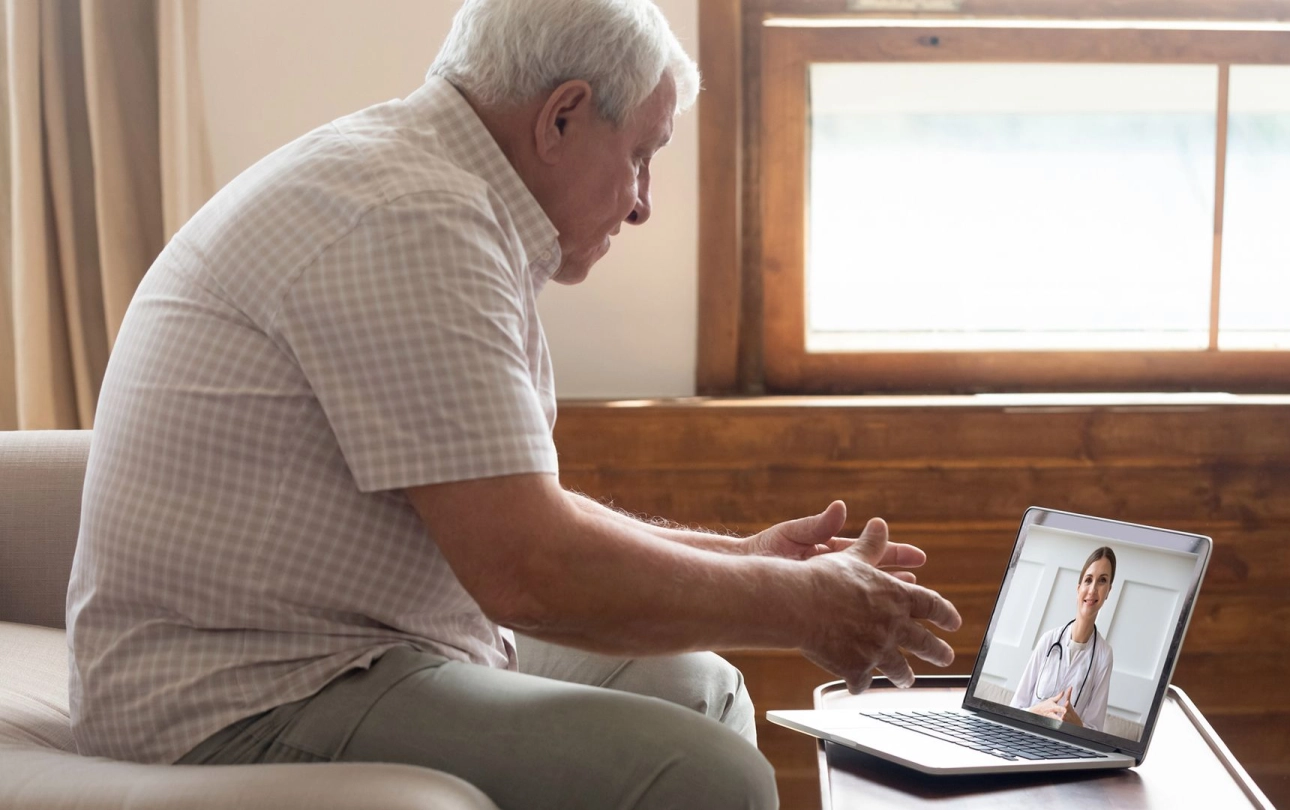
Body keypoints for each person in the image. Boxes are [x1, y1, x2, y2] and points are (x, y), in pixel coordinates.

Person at [64, 1, 962, 808]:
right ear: (562, 115)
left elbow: (509, 508)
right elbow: (529, 568)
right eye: (641, 155)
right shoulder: (413, 219)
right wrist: (799, 604)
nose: (644, 203)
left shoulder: (423, 185)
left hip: (347, 638)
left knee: (701, 684)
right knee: (705, 774)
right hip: (242, 690)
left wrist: (744, 560)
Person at [1009, 547, 1116, 732]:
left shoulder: (1104, 655)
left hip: (1064, 749)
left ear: (1108, 591)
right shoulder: (1048, 640)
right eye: (1088, 580)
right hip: (1025, 736)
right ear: (1078, 588)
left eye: (1102, 581)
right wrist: (1037, 711)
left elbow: (1095, 730)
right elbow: (1014, 710)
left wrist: (1078, 726)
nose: (1092, 589)